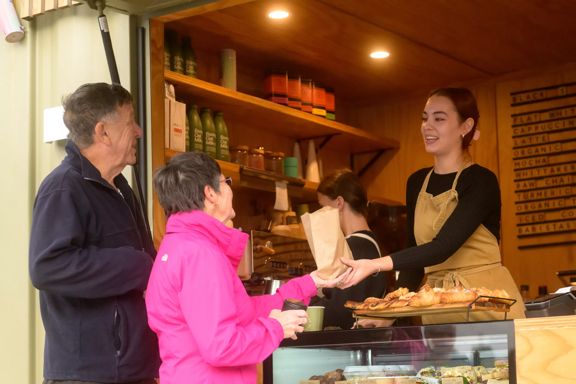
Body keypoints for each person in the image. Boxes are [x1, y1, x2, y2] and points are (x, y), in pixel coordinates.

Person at [145, 151, 345, 384]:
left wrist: (310, 283)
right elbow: (221, 345)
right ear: (210, 194)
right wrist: (276, 327)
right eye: (225, 182)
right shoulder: (199, 254)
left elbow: (240, 313)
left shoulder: (180, 245)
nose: (230, 189)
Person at [339, 87, 526, 323]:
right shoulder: (416, 182)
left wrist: (375, 264)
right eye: (425, 118)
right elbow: (415, 260)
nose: (428, 126)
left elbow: (443, 246)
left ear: (465, 126)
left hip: (488, 306)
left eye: (439, 119)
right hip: (439, 307)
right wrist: (390, 314)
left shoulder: (481, 180)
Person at [29, 83, 160, 383]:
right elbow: (47, 267)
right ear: (103, 132)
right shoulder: (63, 187)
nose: (138, 131)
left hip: (132, 370)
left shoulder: (120, 188)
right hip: (88, 373)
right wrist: (134, 265)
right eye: (130, 123)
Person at [312, 169, 387, 329]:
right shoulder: (372, 243)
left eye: (322, 207)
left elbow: (340, 312)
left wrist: (298, 301)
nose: (320, 215)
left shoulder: (353, 246)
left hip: (350, 345)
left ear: (339, 203)